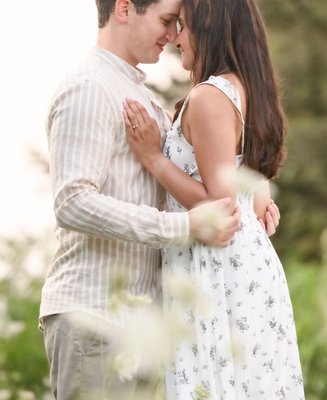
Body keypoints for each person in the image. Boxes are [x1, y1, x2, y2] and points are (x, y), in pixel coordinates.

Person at [39, 1, 252, 399]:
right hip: (96, 317)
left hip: (139, 328)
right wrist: (184, 227)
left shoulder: (136, 90)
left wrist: (253, 197)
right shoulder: (90, 86)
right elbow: (72, 202)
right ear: (124, 9)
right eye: (166, 21)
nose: (173, 36)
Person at [123, 0, 305, 399]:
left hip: (216, 271)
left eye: (183, 26)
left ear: (211, 30)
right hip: (246, 269)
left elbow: (219, 210)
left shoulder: (209, 96)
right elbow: (254, 193)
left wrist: (155, 159)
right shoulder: (246, 89)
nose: (174, 38)